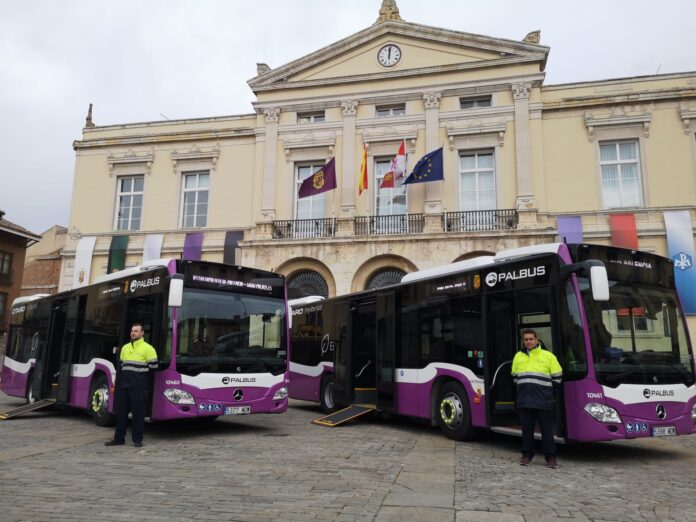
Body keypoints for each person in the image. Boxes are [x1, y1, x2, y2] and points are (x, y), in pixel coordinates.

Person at [511, 329, 562, 468]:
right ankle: (527, 455)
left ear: (537, 339)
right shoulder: (518, 356)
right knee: (526, 431)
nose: (528, 342)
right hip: (525, 400)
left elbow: (557, 377)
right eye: (526, 339)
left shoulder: (548, 356)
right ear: (523, 341)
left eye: (531, 339)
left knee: (547, 431)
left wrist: (550, 395)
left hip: (543, 400)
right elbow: (515, 376)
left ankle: (551, 457)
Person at [105, 323, 158, 448]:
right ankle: (119, 439)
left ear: (142, 333)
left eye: (136, 331)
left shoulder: (148, 349)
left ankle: (137, 439)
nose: (133, 333)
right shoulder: (125, 348)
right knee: (121, 413)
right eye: (132, 331)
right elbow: (122, 365)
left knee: (138, 414)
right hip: (124, 386)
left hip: (138, 387)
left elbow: (154, 368)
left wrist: (142, 382)